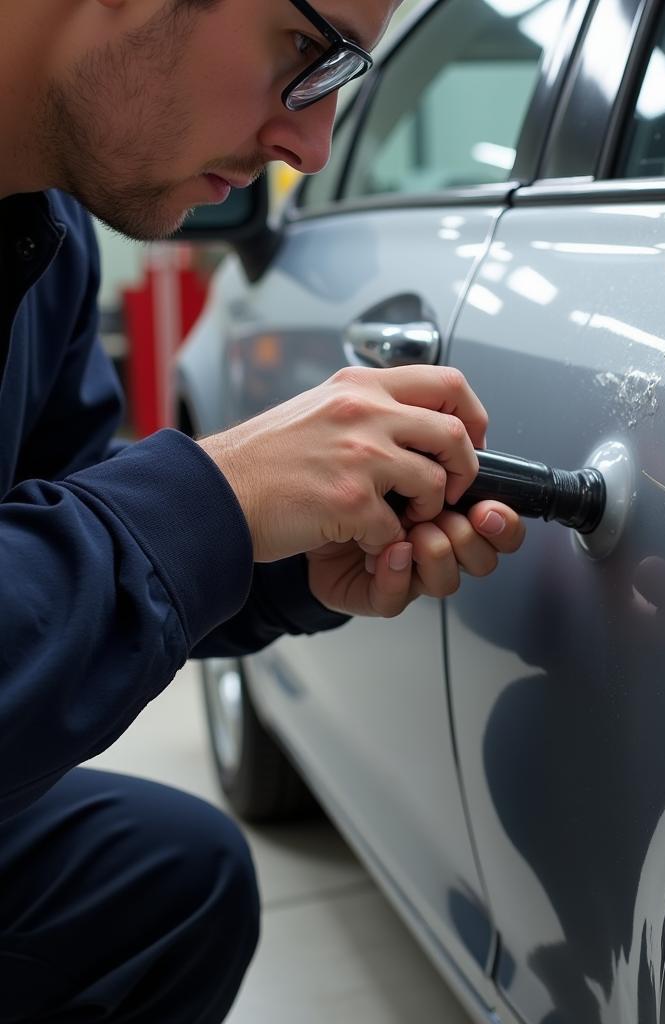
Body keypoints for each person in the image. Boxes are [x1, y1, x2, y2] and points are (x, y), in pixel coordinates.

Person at [0, 1, 526, 1019]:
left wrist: (275, 548)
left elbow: (54, 514)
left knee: (172, 881)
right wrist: (221, 496)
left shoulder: (48, 235)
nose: (311, 146)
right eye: (306, 50)